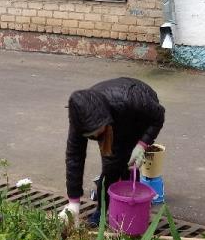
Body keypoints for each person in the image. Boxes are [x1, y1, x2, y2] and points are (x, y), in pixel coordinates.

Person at [62, 77, 165, 225]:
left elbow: (158, 116)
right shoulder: (80, 118)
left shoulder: (132, 100)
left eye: (97, 131)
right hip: (112, 120)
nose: (96, 136)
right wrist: (73, 202)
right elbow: (74, 158)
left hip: (139, 114)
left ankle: (132, 200)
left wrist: (142, 144)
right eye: (91, 134)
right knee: (111, 166)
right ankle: (102, 210)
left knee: (130, 160)